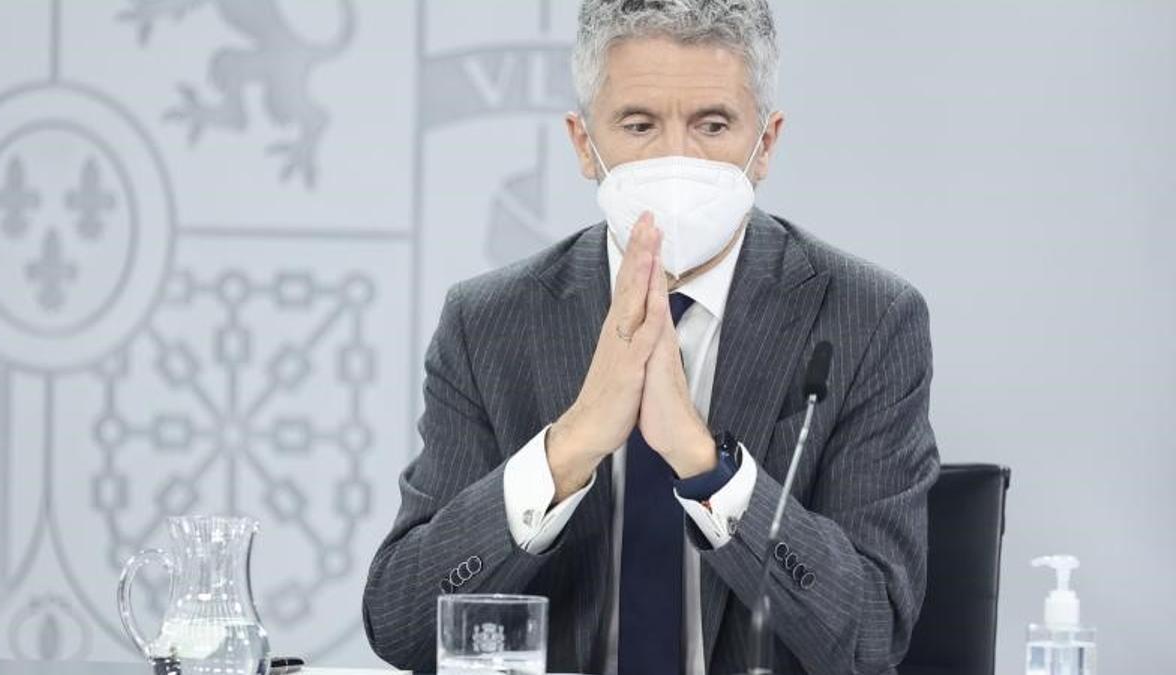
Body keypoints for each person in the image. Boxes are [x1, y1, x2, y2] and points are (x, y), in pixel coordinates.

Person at [363, 1, 939, 673]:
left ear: (767, 144)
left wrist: (704, 462)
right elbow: (402, 625)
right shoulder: (488, 322)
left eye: (713, 124)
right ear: (584, 144)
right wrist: (568, 448)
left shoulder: (867, 319)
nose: (676, 157)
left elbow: (870, 634)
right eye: (638, 125)